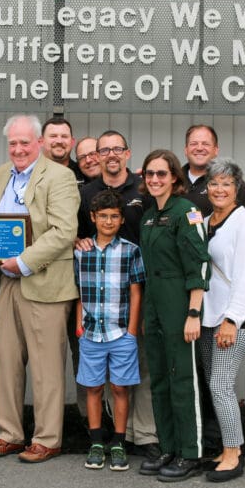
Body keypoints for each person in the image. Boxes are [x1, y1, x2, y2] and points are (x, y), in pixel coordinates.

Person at [0, 114, 80, 464]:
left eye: (25, 142)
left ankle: (47, 438)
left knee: (46, 366)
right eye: (13, 143)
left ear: (39, 143)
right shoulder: (1, 174)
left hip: (44, 281)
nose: (19, 149)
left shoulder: (60, 176)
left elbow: (64, 231)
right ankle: (9, 433)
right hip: (7, 281)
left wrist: (23, 261)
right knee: (6, 360)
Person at [76, 130, 160, 460]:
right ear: (96, 156)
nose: (111, 154)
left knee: (141, 370)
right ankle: (107, 437)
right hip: (99, 300)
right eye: (104, 150)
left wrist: (133, 326)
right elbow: (76, 235)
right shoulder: (87, 193)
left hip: (139, 291)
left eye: (117, 149)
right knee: (102, 381)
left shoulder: (143, 186)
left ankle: (144, 434)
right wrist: (78, 241)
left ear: (127, 153)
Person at [137, 149, 210, 483]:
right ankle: (168, 447)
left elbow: (199, 266)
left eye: (161, 174)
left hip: (180, 306)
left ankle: (190, 452)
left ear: (174, 178)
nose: (155, 179)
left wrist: (193, 312)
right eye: (149, 174)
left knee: (183, 380)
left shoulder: (186, 212)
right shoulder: (149, 217)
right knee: (160, 380)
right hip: (154, 305)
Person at [198, 158, 245, 483]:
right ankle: (227, 447)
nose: (219, 189)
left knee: (221, 385)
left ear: (237, 188)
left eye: (226, 183)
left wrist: (232, 320)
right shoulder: (205, 222)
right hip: (208, 317)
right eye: (214, 183)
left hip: (235, 317)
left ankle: (234, 453)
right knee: (215, 384)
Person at [75, 190, 145, 472]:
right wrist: (79, 327)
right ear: (93, 217)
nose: (108, 221)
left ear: (121, 219)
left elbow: (136, 293)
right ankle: (95, 442)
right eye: (103, 216)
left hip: (120, 332)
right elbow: (78, 292)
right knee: (92, 387)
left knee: (119, 387)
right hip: (91, 332)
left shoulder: (131, 251)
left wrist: (132, 332)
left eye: (114, 216)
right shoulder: (81, 252)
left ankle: (118, 443)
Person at [181, 124, 245, 214]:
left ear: (216, 150)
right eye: (194, 144)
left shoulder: (234, 183)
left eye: (205, 144)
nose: (199, 148)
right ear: (186, 150)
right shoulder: (173, 181)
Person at [40, 116, 87, 185]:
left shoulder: (84, 173)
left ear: (72, 142)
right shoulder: (29, 173)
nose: (59, 141)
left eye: (64, 136)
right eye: (53, 136)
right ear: (41, 141)